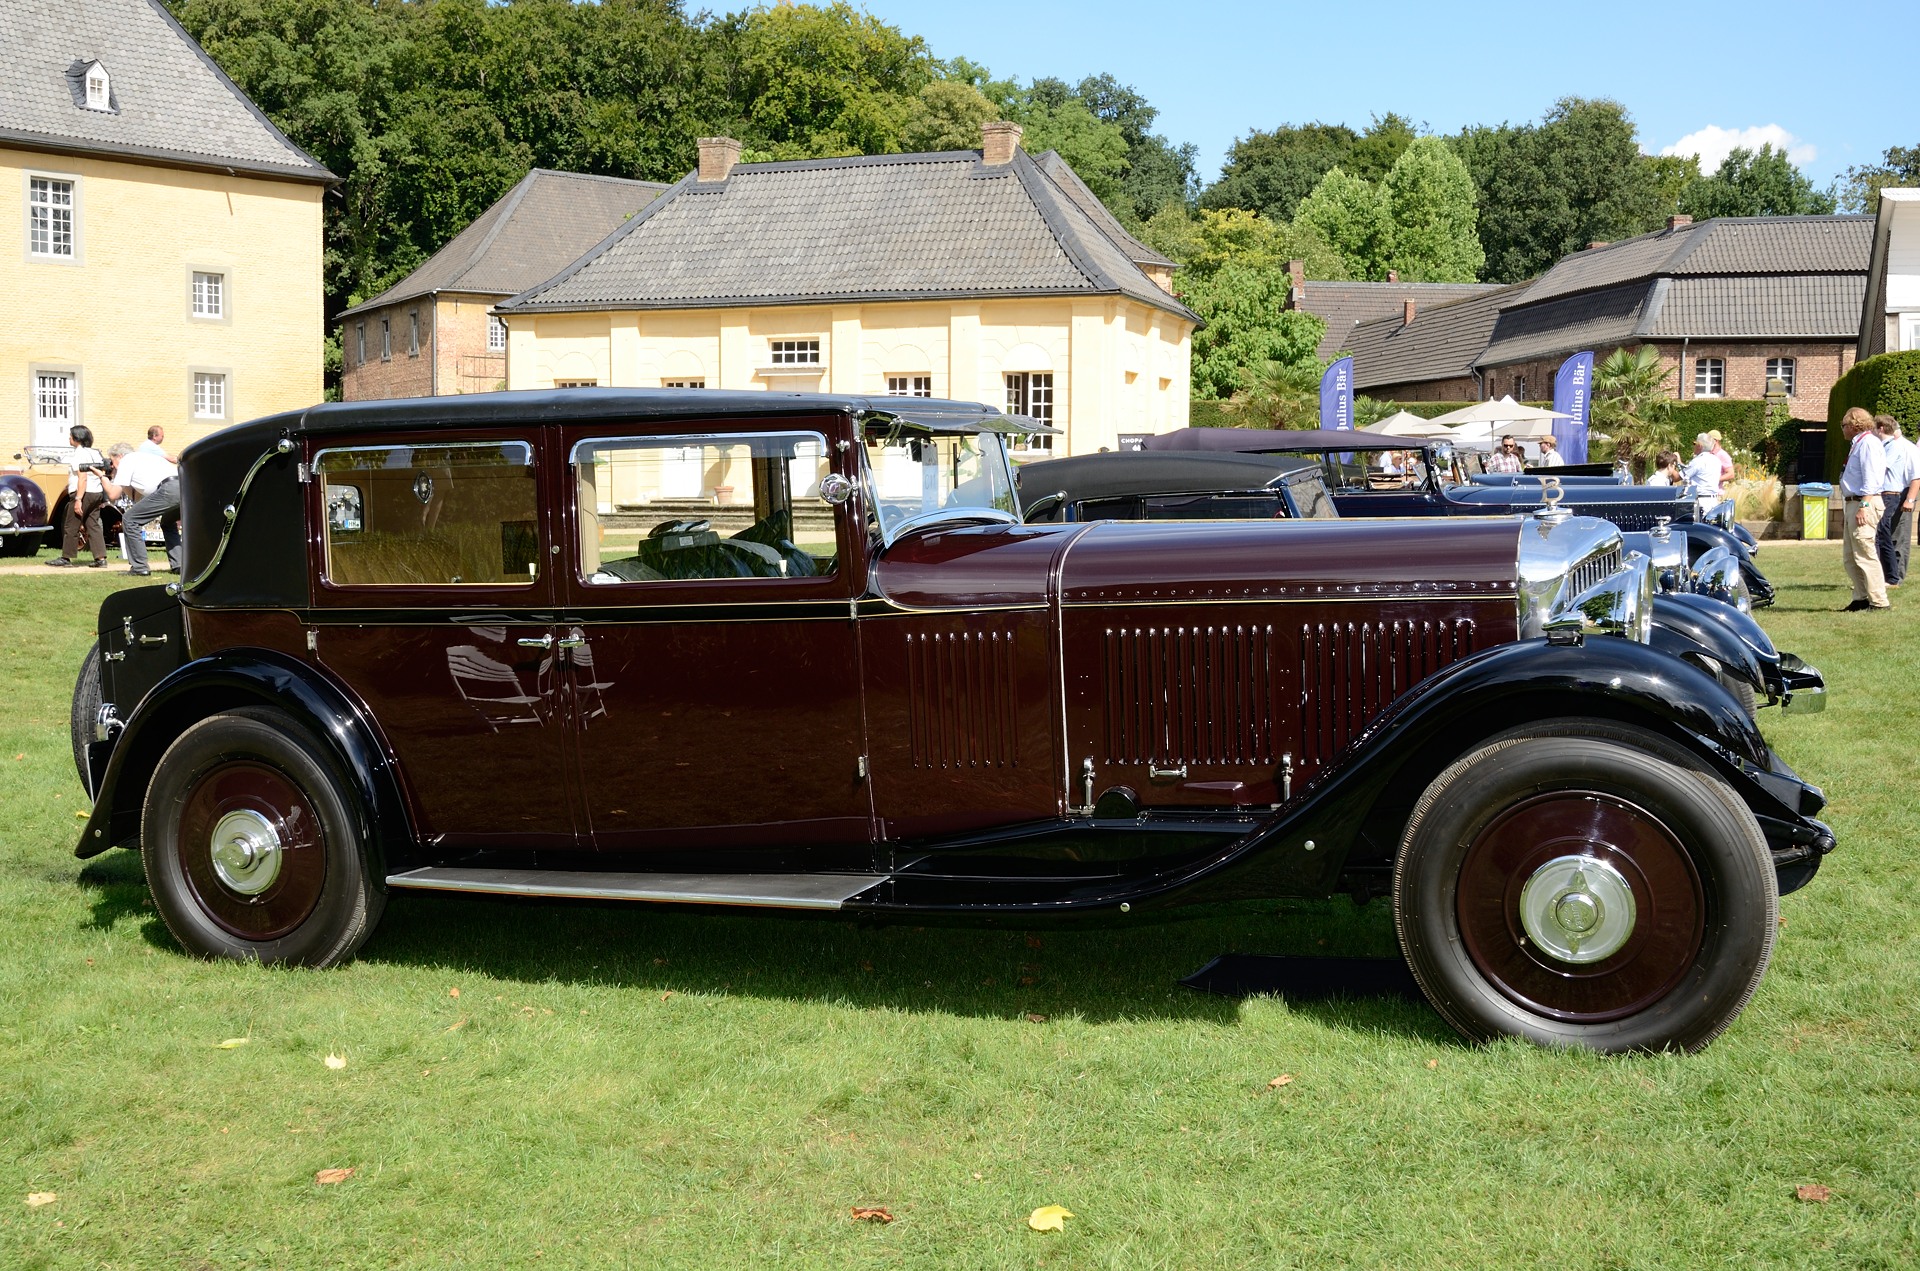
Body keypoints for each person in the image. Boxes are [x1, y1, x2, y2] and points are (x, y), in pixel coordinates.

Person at [1837, 407, 1891, 611]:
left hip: (1864, 502)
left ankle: (1879, 601)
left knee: (1865, 552)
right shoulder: (1858, 443)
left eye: (1843, 425)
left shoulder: (1868, 443)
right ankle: (1860, 597)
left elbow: (1872, 477)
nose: (1842, 429)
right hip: (1854, 502)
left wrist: (1864, 505)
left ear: (1853, 424)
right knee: (1851, 556)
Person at [103, 438, 182, 576]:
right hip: (183, 487)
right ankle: (179, 566)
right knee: (168, 523)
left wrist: (103, 477)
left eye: (113, 461)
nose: (113, 466)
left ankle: (139, 567)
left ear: (120, 456)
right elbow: (137, 499)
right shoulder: (145, 458)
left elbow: (113, 495)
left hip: (168, 489)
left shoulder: (126, 461)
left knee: (129, 519)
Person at [47, 425, 110, 568]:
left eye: (71, 436)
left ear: (77, 438)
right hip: (96, 492)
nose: (69, 438)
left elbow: (82, 478)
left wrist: (78, 499)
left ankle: (66, 557)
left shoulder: (79, 454)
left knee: (71, 525)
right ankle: (100, 558)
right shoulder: (95, 453)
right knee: (93, 525)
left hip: (83, 492)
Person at [1874, 414, 1919, 587]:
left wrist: (1910, 499)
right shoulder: (1888, 446)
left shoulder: (1907, 448)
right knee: (1884, 534)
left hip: (1903, 492)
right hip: (1892, 492)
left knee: (1899, 537)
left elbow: (1916, 477)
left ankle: (1896, 577)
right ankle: (1884, 576)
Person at [1682, 433, 1724, 514]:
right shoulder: (1716, 460)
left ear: (1700, 446)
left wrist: (1674, 462)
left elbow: (1679, 476)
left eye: (1695, 444)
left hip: (1701, 501)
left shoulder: (1698, 461)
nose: (1694, 446)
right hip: (1714, 501)